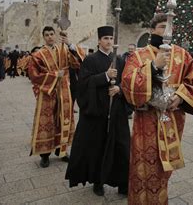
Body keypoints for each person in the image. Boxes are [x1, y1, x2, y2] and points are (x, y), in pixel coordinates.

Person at [121, 13, 193, 204]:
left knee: (163, 169)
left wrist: (181, 96)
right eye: (162, 26)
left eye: (170, 26)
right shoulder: (138, 55)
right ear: (152, 30)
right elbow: (127, 83)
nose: (167, 30)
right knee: (143, 166)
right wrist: (153, 66)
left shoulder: (182, 55)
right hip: (146, 122)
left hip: (172, 120)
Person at [66, 26, 130, 196]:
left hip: (116, 112)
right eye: (106, 38)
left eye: (111, 38)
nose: (109, 42)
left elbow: (127, 83)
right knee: (97, 148)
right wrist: (105, 76)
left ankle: (122, 183)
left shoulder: (120, 60)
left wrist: (119, 90)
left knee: (121, 148)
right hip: (97, 113)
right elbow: (84, 85)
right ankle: (98, 181)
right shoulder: (90, 60)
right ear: (99, 40)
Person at [28, 26, 82, 168]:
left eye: (52, 34)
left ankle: (61, 151)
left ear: (56, 35)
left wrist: (70, 44)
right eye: (47, 35)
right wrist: (53, 76)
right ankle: (44, 155)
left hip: (64, 89)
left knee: (63, 119)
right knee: (47, 121)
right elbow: (34, 75)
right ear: (43, 37)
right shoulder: (38, 55)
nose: (50, 37)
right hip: (48, 92)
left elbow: (77, 62)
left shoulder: (64, 49)